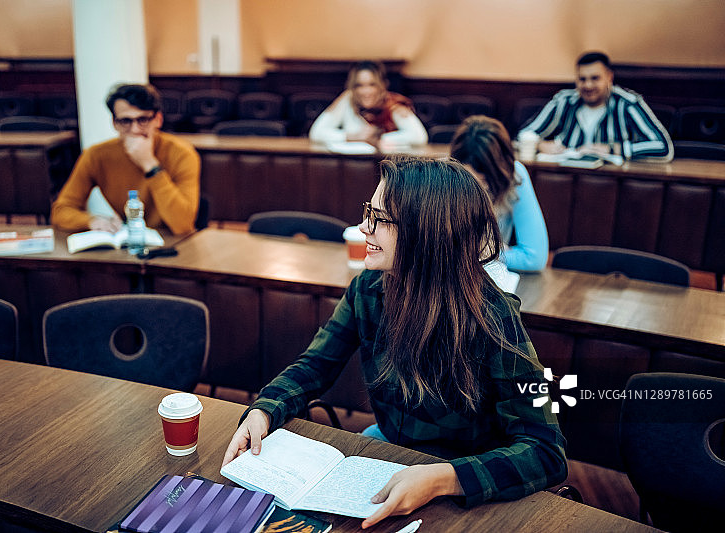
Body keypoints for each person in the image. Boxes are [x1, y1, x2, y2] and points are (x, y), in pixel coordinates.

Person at [222, 156, 567, 528]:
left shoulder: (493, 316)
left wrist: (444, 478)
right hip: (390, 450)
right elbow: (315, 365)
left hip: (464, 476)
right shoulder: (367, 288)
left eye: (379, 219)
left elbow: (546, 450)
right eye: (368, 212)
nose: (362, 228)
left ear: (426, 233)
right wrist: (264, 409)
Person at [51, 83, 200, 235]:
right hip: (130, 242)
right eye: (126, 121)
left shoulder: (182, 153)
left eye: (143, 120)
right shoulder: (97, 155)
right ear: (114, 123)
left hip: (175, 244)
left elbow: (183, 225)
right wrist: (92, 221)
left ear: (158, 119)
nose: (135, 130)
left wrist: (150, 164)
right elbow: (61, 211)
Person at [519, 51, 673, 162]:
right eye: (582, 79)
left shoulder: (627, 103)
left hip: (611, 183)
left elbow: (663, 147)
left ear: (609, 77)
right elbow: (523, 135)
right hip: (567, 178)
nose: (588, 85)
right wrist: (539, 145)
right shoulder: (564, 100)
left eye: (595, 78)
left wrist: (612, 149)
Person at [450, 115, 549, 272]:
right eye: (471, 181)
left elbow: (534, 258)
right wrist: (490, 253)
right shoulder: (443, 177)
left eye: (486, 182)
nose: (479, 191)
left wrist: (488, 254)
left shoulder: (514, 175)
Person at [309, 60, 428, 148]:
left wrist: (378, 138)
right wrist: (352, 137)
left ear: (382, 85)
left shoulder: (392, 104)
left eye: (372, 85)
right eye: (359, 85)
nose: (366, 92)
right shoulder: (348, 99)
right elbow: (316, 133)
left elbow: (419, 137)